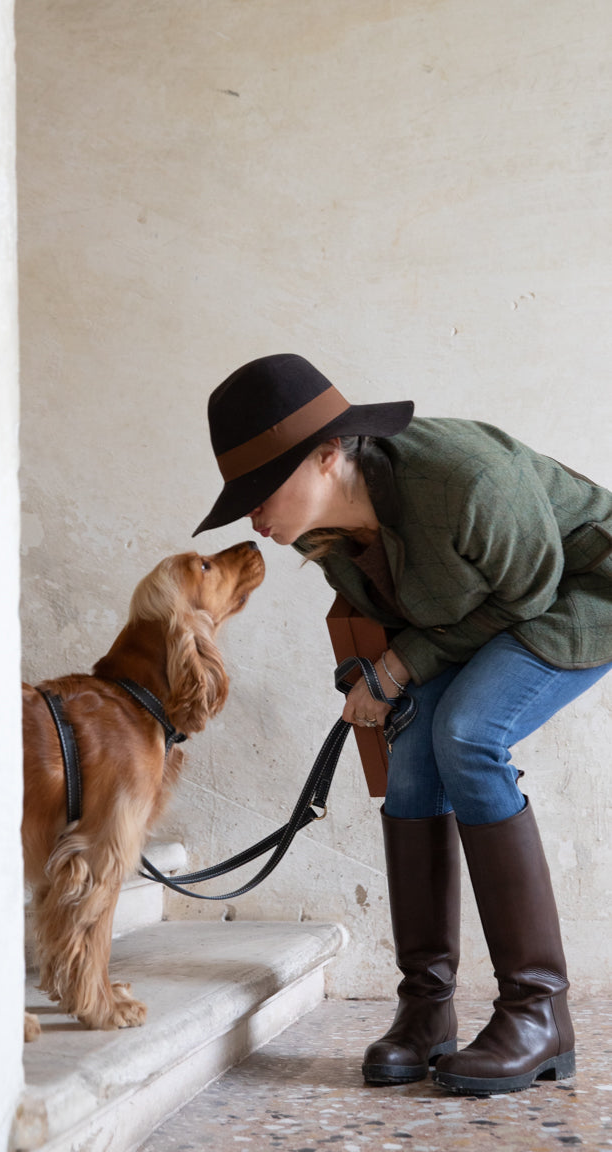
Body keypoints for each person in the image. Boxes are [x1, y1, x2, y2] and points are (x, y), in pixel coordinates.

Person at [193, 353, 612, 1096]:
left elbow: (528, 593)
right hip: (486, 613)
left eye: (261, 489)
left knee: (467, 735)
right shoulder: (328, 536)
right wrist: (376, 674)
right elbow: (399, 618)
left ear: (328, 455)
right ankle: (426, 1011)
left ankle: (538, 1012)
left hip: (578, 594)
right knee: (415, 754)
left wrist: (397, 668)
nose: (252, 516)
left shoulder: (468, 480)